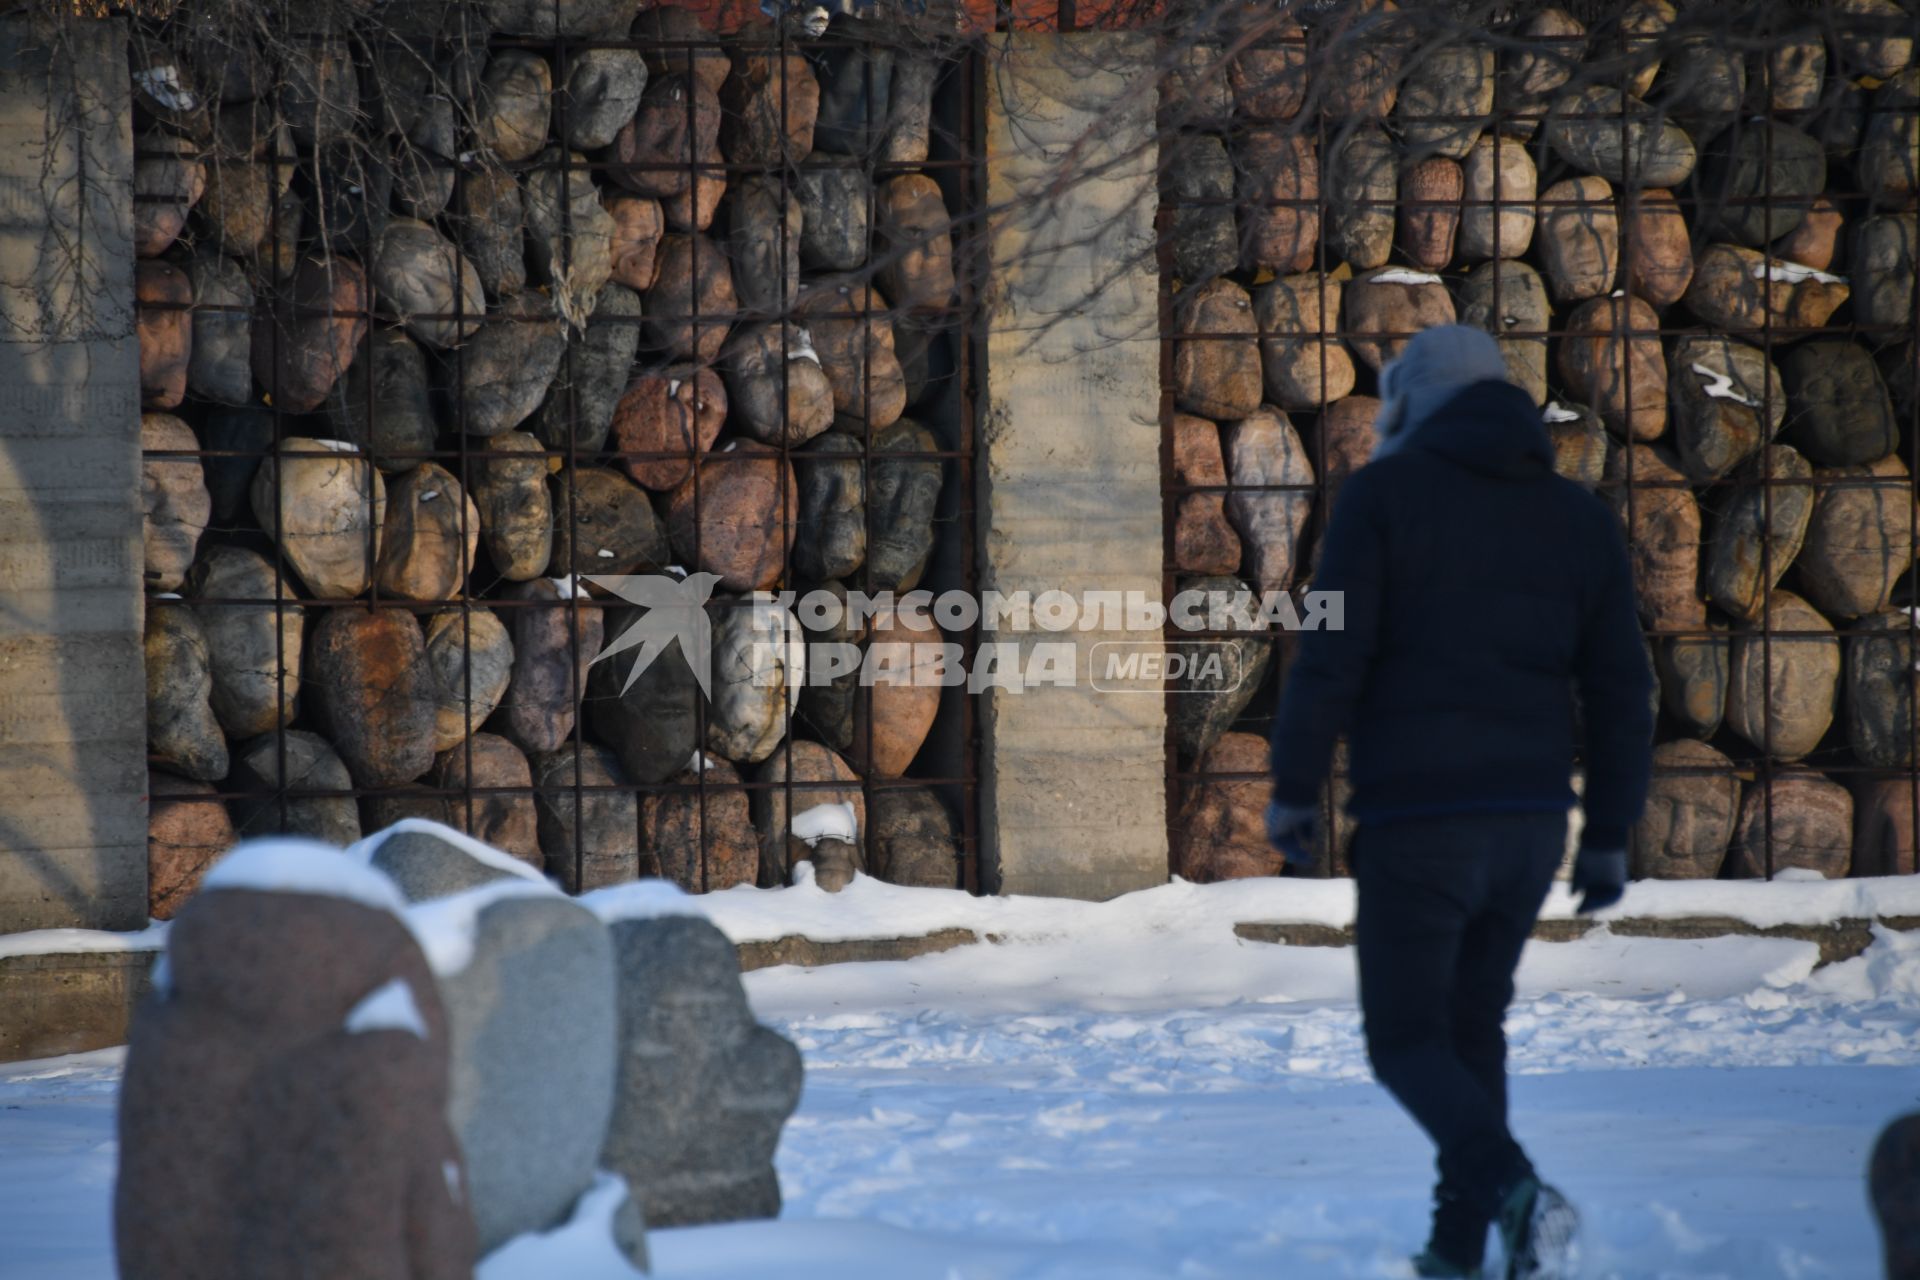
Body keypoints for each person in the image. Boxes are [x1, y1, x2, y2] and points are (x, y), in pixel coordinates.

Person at [1265, 325, 1654, 1279]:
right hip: (1528, 828)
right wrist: (1606, 834)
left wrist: (1292, 784)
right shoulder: (1578, 519)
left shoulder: (1383, 498)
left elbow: (1331, 654)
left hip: (1420, 823)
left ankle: (1514, 1191)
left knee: (1404, 1041)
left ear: (1412, 405)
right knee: (1471, 1032)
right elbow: (1619, 688)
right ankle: (1459, 1246)